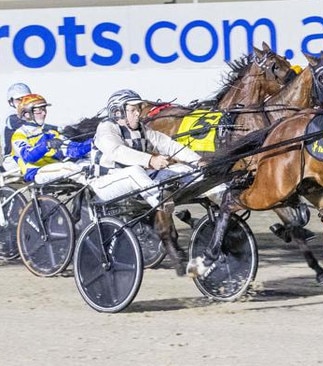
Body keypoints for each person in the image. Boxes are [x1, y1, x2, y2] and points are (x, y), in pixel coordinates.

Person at [89, 89, 202, 276]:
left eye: (139, 109)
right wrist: (150, 160)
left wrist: (197, 161)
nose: (138, 113)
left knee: (180, 170)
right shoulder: (106, 128)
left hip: (135, 181)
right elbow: (117, 152)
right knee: (135, 171)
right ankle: (161, 201)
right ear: (118, 112)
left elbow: (169, 145)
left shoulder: (142, 128)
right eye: (133, 109)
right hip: (104, 184)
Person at [10, 94, 92, 184]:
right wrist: (47, 145)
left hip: (55, 169)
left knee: (89, 163)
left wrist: (93, 142)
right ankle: (95, 187)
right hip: (36, 172)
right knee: (71, 168)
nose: (44, 113)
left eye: (44, 109)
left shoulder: (50, 132)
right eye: (39, 111)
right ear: (27, 114)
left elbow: (74, 150)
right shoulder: (19, 135)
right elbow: (28, 156)